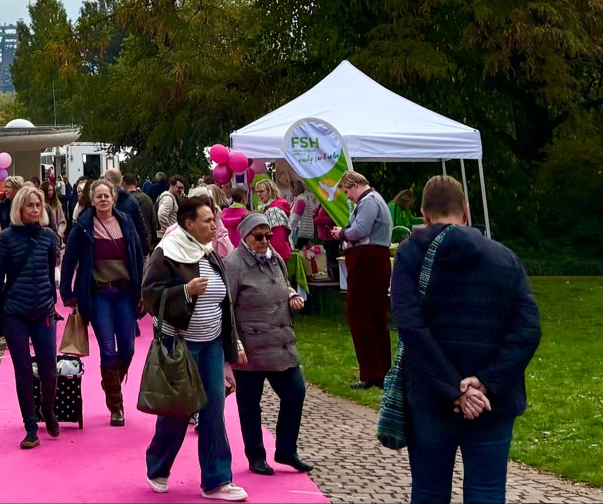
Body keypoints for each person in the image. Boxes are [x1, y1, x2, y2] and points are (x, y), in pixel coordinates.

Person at [392, 175, 541, 504]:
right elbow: (528, 327)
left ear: (424, 215)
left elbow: (410, 326)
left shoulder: (409, 255)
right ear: (467, 212)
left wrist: (452, 388)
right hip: (493, 400)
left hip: (430, 395)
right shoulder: (504, 257)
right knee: (487, 493)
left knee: (429, 493)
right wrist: (485, 384)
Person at [142, 196, 246, 501]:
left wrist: (233, 343)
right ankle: (158, 467)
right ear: (188, 224)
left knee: (214, 409)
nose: (214, 226)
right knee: (178, 410)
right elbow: (150, 296)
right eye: (207, 221)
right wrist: (184, 291)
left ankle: (216, 481)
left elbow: (225, 303)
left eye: (214, 221)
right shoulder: (168, 253)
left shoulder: (210, 252)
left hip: (212, 344)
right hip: (180, 345)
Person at [224, 212, 313, 476]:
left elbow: (283, 285)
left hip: (280, 343)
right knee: (250, 404)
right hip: (249, 347)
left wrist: (292, 295)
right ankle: (256, 456)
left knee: (295, 392)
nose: (264, 241)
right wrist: (234, 343)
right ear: (245, 236)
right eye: (258, 237)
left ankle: (286, 450)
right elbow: (226, 306)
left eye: (268, 236)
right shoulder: (233, 264)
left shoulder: (275, 259)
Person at [0, 184, 63, 449]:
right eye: (30, 205)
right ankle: (30, 426)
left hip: (43, 310)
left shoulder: (50, 238)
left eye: (38, 205)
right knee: (23, 371)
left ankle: (48, 410)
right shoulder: (6, 238)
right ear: (20, 208)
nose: (35, 209)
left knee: (49, 369)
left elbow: (51, 276)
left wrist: (52, 304)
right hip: (14, 312)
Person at [60, 178, 144, 427]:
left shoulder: (125, 222)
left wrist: (143, 292)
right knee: (108, 349)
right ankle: (116, 406)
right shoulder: (83, 226)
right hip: (98, 295)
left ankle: (110, 381)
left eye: (107, 196)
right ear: (92, 200)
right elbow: (69, 260)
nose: (103, 200)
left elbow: (138, 257)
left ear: (114, 198)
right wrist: (67, 293)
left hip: (125, 293)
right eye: (99, 196)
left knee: (127, 348)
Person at [328, 170, 394, 389]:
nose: (347, 196)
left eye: (347, 191)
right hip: (374, 260)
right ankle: (381, 371)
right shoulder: (374, 200)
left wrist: (342, 233)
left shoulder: (368, 202)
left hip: (367, 261)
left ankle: (372, 373)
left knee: (360, 315)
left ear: (355, 184)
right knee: (375, 317)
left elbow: (360, 230)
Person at [106, 168, 150, 255]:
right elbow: (141, 226)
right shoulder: (132, 200)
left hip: (112, 248)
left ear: (108, 180)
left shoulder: (107, 201)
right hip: (132, 248)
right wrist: (144, 249)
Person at [125, 174, 158, 250]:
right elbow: (154, 223)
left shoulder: (123, 201)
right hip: (146, 241)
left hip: (129, 242)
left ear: (123, 184)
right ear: (136, 183)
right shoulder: (147, 199)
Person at [156, 175, 188, 243]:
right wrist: (169, 231)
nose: (181, 190)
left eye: (182, 188)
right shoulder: (168, 199)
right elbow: (162, 215)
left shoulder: (171, 196)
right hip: (166, 237)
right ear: (171, 185)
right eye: (179, 187)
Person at [221, 184, 250, 249]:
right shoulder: (247, 215)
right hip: (243, 249)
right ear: (244, 198)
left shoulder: (224, 214)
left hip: (228, 248)